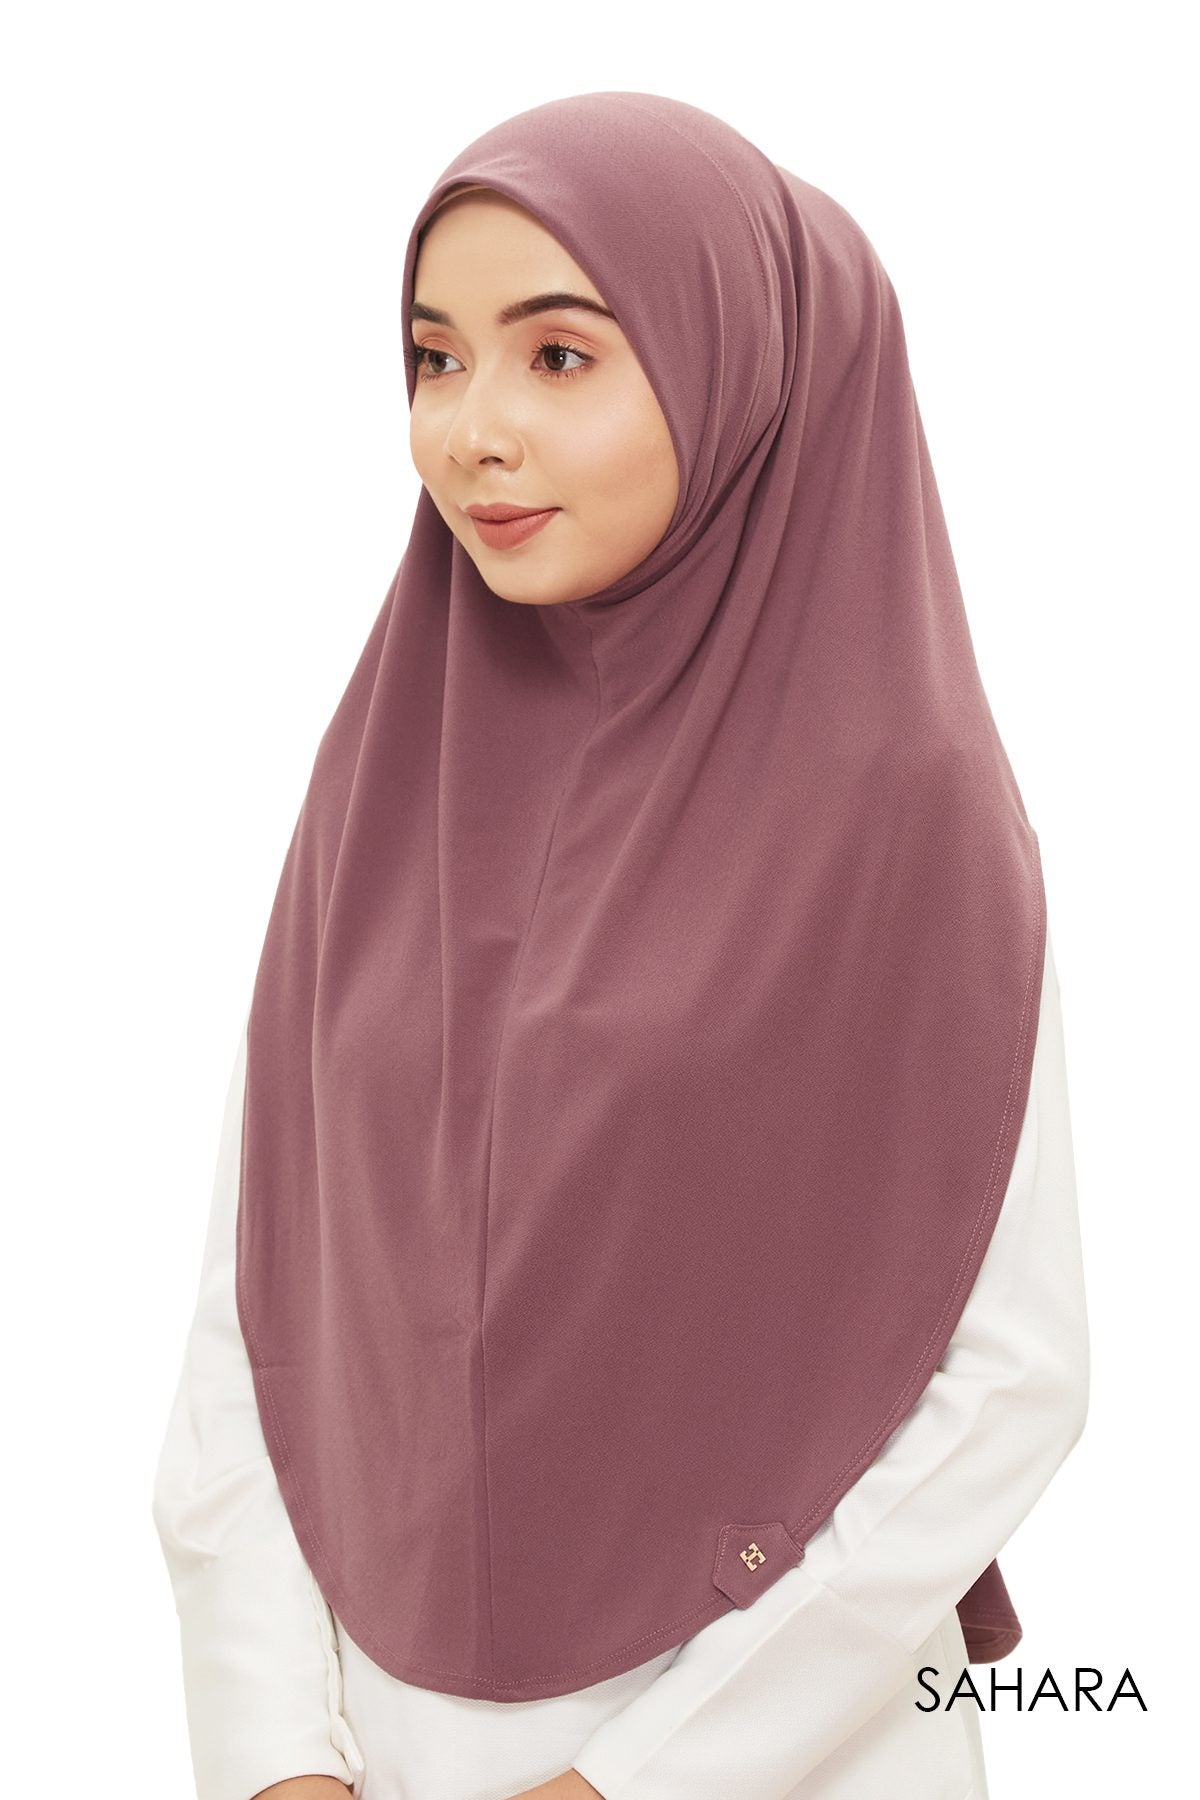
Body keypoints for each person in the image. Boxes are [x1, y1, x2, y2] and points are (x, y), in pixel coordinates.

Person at [152, 92, 1090, 1800]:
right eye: (436, 359)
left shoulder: (906, 811)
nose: (472, 432)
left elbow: (1011, 1380)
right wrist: (278, 1753)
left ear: (743, 374)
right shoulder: (389, 777)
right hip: (379, 1739)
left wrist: (632, 1785)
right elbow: (260, 1303)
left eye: (560, 356)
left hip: (786, 1753)